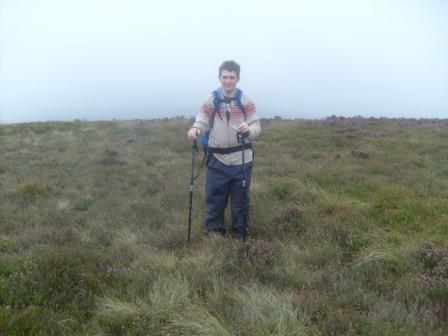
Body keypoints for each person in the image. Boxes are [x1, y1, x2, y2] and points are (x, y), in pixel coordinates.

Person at [187, 60, 261, 239]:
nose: (228, 81)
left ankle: (240, 235)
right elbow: (202, 120)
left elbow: (256, 125)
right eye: (225, 77)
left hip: (242, 159)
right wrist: (196, 128)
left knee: (241, 200)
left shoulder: (245, 100)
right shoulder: (211, 100)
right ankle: (214, 233)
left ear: (238, 79)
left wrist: (249, 130)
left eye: (232, 77)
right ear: (219, 78)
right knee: (215, 199)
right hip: (217, 159)